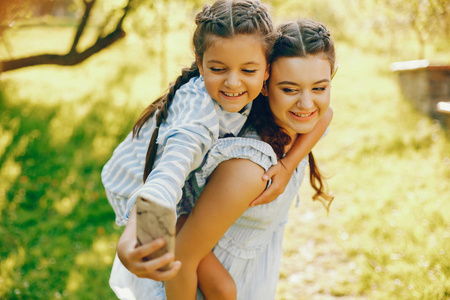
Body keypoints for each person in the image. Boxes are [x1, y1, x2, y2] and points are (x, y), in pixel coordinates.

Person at [103, 0, 331, 290]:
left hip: (179, 181)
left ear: (266, 72)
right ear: (200, 64)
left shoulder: (258, 90)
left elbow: (326, 115)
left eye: (248, 70)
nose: (234, 82)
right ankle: (178, 227)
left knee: (223, 289)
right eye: (218, 68)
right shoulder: (197, 118)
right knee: (179, 256)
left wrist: (286, 166)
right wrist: (134, 237)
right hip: (137, 181)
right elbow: (167, 176)